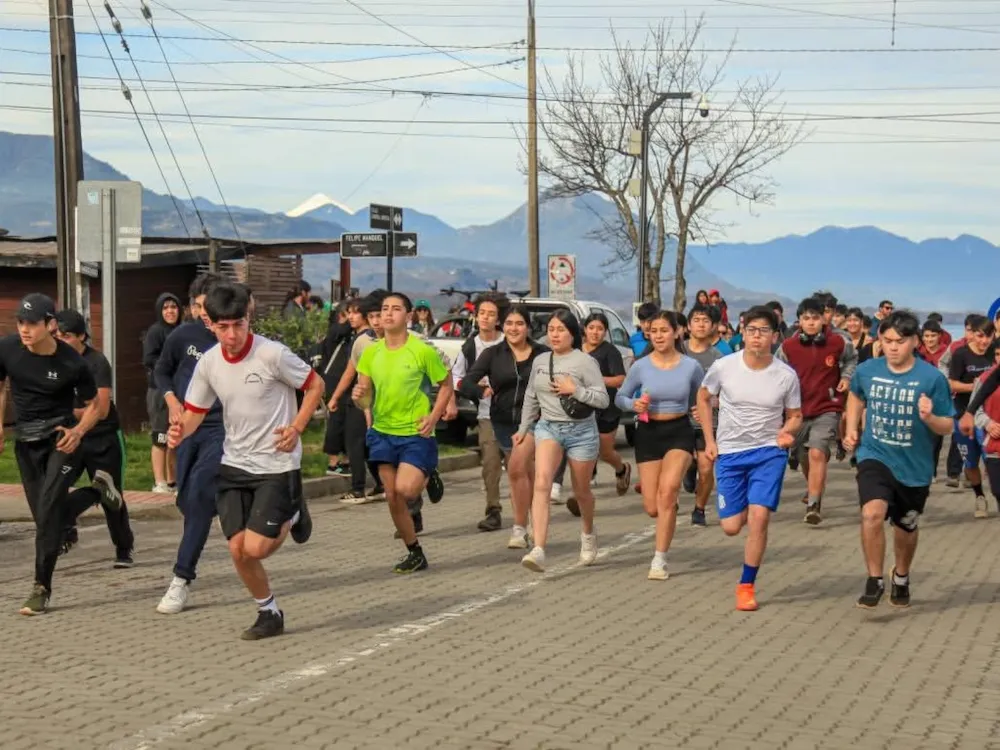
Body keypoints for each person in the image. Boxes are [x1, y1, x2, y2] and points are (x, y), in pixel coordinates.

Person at [169, 282, 321, 639]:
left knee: (257, 547)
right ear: (211, 325)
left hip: (276, 465)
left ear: (248, 319)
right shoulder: (208, 363)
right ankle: (269, 612)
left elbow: (315, 385)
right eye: (223, 327)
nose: (232, 334)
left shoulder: (273, 354)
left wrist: (297, 427)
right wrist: (180, 433)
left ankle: (294, 508)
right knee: (238, 550)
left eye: (239, 324)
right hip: (234, 464)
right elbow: (194, 412)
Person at [0, 294, 122, 615]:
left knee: (49, 513)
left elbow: (97, 406)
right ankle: (98, 490)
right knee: (45, 516)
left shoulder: (72, 362)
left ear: (50, 325)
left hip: (62, 440)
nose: (25, 330)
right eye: (20, 323)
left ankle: (41, 588)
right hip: (26, 442)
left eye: (32, 323)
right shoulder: (8, 349)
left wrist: (78, 432)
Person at [844, 310, 953, 609]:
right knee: (872, 514)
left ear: (915, 342)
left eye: (900, 341)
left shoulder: (931, 379)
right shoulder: (868, 370)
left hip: (915, 467)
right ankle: (874, 579)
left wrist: (930, 417)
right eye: (887, 340)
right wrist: (852, 429)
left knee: (905, 527)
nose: (893, 347)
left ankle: (901, 576)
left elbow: (948, 425)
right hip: (874, 455)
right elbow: (855, 396)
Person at [697, 305, 802, 612]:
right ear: (742, 332)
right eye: (752, 330)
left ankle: (746, 585)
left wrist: (787, 431)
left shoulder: (785, 375)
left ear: (774, 336)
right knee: (731, 526)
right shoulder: (724, 366)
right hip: (730, 452)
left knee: (759, 519)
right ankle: (739, 508)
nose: (757, 337)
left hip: (768, 452)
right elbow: (703, 399)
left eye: (764, 331)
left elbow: (796, 416)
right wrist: (709, 440)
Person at [353, 292, 454, 573]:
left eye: (396, 309)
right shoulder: (370, 352)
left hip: (415, 433)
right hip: (383, 432)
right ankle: (415, 552)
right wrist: (357, 396)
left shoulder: (421, 350)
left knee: (406, 489)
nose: (388, 314)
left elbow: (446, 384)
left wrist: (434, 417)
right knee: (392, 497)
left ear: (408, 317)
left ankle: (428, 471)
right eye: (385, 309)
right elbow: (364, 399)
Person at [153, 273, 227, 614]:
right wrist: (172, 402)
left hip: (221, 429)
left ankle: (180, 580)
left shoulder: (233, 339)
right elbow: (162, 371)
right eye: (199, 306)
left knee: (197, 497)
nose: (205, 313)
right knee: (186, 500)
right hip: (186, 427)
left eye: (209, 305)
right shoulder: (184, 336)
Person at [515, 309, 610, 573]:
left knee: (581, 492)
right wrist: (524, 428)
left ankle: (588, 534)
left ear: (573, 334)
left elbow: (603, 399)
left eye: (561, 330)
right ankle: (539, 549)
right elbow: (531, 396)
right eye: (552, 329)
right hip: (548, 428)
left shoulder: (585, 362)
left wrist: (575, 390)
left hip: (582, 432)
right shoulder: (541, 360)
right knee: (543, 483)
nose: (555, 335)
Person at [616, 311, 704, 580]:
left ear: (677, 332)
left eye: (664, 330)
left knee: (667, 492)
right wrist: (634, 405)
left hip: (679, 431)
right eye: (653, 331)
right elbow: (620, 397)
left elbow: (703, 397)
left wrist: (702, 410)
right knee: (652, 507)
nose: (658, 336)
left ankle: (659, 559)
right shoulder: (641, 366)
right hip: (648, 432)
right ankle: (669, 509)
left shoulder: (691, 366)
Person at [458, 304, 548, 549]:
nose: (513, 328)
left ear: (528, 327)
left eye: (519, 324)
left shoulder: (543, 353)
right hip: (503, 421)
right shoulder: (493, 354)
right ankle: (531, 519)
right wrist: (480, 390)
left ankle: (518, 529)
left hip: (535, 421)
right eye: (509, 324)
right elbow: (465, 381)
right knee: (524, 472)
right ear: (502, 326)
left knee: (517, 469)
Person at [53, 309, 134, 568]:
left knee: (112, 496)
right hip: (71, 438)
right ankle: (66, 534)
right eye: (57, 335)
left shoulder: (96, 362)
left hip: (104, 437)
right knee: (54, 489)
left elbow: (102, 408)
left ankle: (124, 549)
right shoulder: (53, 360)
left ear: (82, 337)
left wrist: (70, 411)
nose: (60, 340)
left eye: (66, 336)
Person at [776, 296, 857, 525]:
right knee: (803, 455)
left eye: (815, 318)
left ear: (824, 319)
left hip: (827, 406)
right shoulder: (788, 346)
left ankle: (814, 503)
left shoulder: (839, 342)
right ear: (799, 321)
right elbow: (776, 371)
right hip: (798, 410)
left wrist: (846, 377)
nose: (811, 323)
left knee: (817, 452)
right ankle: (813, 485)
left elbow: (852, 360)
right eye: (806, 318)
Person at [452, 294, 507, 532]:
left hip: (517, 414)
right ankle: (493, 510)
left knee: (519, 466)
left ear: (499, 319)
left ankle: (530, 506)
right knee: (491, 463)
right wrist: (475, 389)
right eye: (481, 313)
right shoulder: (470, 346)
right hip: (487, 414)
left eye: (491, 314)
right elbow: (456, 376)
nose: (485, 318)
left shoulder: (509, 342)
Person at [683, 303, 727, 525]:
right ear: (688, 325)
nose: (701, 325)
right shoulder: (677, 351)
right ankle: (687, 467)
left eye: (705, 321)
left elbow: (727, 392)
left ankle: (699, 509)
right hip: (678, 419)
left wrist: (712, 404)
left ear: (713, 327)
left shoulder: (719, 358)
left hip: (707, 421)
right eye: (696, 320)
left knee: (707, 468)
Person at [946, 314, 994, 516]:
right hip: (963, 415)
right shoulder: (960, 355)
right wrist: (975, 387)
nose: (984, 341)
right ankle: (979, 497)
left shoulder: (994, 353)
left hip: (989, 418)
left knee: (993, 461)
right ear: (972, 334)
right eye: (980, 336)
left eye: (988, 337)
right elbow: (952, 384)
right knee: (971, 463)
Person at [142, 292, 181, 493]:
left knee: (174, 436)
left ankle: (172, 480)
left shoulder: (183, 331)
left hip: (179, 391)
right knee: (160, 437)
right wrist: (168, 366)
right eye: (165, 307)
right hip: (159, 391)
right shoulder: (155, 332)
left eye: (173, 307)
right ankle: (159, 481)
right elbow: (149, 358)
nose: (170, 311)